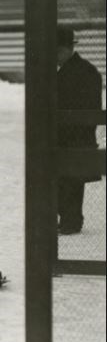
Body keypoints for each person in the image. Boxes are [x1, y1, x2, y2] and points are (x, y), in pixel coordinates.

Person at [56, 27, 103, 235]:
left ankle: (70, 221)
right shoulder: (86, 70)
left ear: (62, 50)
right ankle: (71, 219)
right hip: (80, 134)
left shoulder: (70, 73)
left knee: (67, 181)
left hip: (70, 134)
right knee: (72, 182)